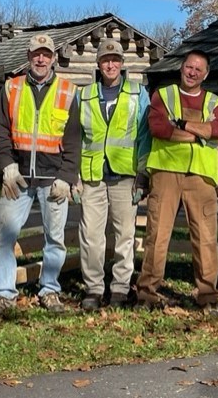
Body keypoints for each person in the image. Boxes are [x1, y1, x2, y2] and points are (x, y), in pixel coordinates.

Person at [0, 33, 81, 316]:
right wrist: (6, 165)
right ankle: (4, 294)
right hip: (18, 178)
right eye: (36, 54)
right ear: (28, 56)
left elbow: (74, 139)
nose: (41, 59)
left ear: (53, 59)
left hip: (53, 180)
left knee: (55, 238)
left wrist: (67, 175)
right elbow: (0, 131)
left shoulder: (67, 91)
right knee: (5, 235)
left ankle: (49, 290)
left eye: (46, 54)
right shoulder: (11, 88)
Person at [135, 49, 218, 316]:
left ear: (206, 73)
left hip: (201, 177)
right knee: (157, 235)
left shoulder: (214, 101)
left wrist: (183, 124)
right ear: (181, 68)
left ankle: (208, 296)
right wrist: (199, 133)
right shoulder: (163, 95)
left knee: (206, 238)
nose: (192, 72)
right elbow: (158, 129)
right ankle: (147, 293)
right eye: (189, 67)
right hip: (165, 173)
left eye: (199, 69)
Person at [77, 39, 151, 310]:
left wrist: (143, 175)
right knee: (92, 236)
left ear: (122, 64)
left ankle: (120, 288)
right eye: (106, 59)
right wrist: (75, 175)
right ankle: (94, 289)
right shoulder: (83, 95)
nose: (111, 64)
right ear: (98, 64)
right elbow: (75, 137)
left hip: (125, 176)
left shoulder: (137, 93)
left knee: (124, 235)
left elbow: (145, 136)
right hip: (92, 175)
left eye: (116, 60)